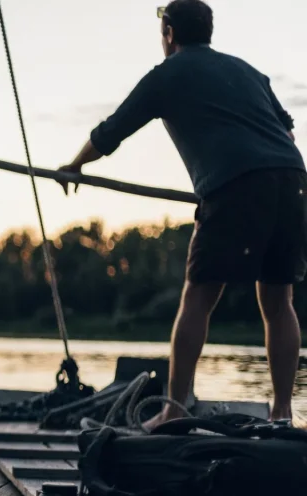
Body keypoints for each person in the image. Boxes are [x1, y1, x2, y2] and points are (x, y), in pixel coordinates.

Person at [56, 0, 306, 428]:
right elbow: (285, 131)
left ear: (169, 34)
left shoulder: (167, 75)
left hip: (236, 185)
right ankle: (282, 412)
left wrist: (75, 165)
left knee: (198, 296)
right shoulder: (247, 70)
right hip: (294, 178)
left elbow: (111, 131)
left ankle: (175, 408)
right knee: (278, 302)